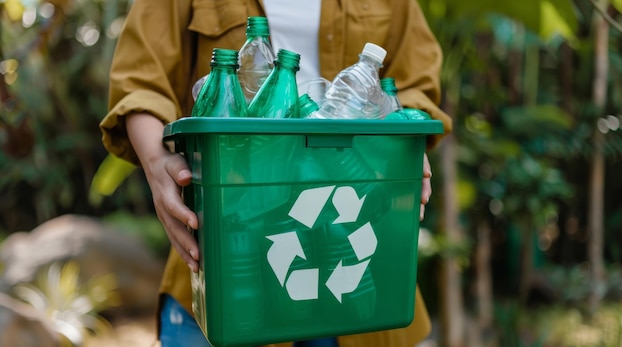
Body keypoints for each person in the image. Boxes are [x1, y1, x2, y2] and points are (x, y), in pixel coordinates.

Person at [100, 0, 452, 346]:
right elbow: (141, 79)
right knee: (233, 300)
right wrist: (155, 162)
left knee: (356, 293)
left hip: (355, 258)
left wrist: (406, 140)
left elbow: (414, 81)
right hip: (232, 241)